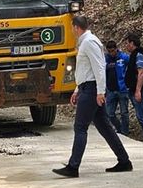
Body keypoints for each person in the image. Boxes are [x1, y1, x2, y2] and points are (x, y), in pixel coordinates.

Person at [52, 16, 133, 178]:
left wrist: (100, 92)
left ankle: (73, 166)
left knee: (80, 127)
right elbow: (84, 70)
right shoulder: (85, 42)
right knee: (105, 127)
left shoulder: (89, 42)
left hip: (92, 90)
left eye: (72, 28)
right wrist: (77, 89)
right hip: (87, 87)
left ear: (76, 27)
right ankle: (124, 161)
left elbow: (99, 67)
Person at [125, 33, 143, 145]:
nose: (126, 46)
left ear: (132, 43)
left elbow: (141, 72)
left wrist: (138, 90)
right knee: (140, 115)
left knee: (141, 115)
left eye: (127, 43)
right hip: (133, 89)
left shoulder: (139, 55)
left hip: (141, 90)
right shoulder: (134, 55)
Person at [104, 40, 130, 136]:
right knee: (109, 113)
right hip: (111, 89)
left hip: (122, 88)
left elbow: (131, 66)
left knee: (124, 113)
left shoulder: (123, 58)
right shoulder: (105, 60)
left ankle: (125, 132)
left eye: (113, 51)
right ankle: (119, 128)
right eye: (109, 51)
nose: (111, 53)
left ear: (116, 49)